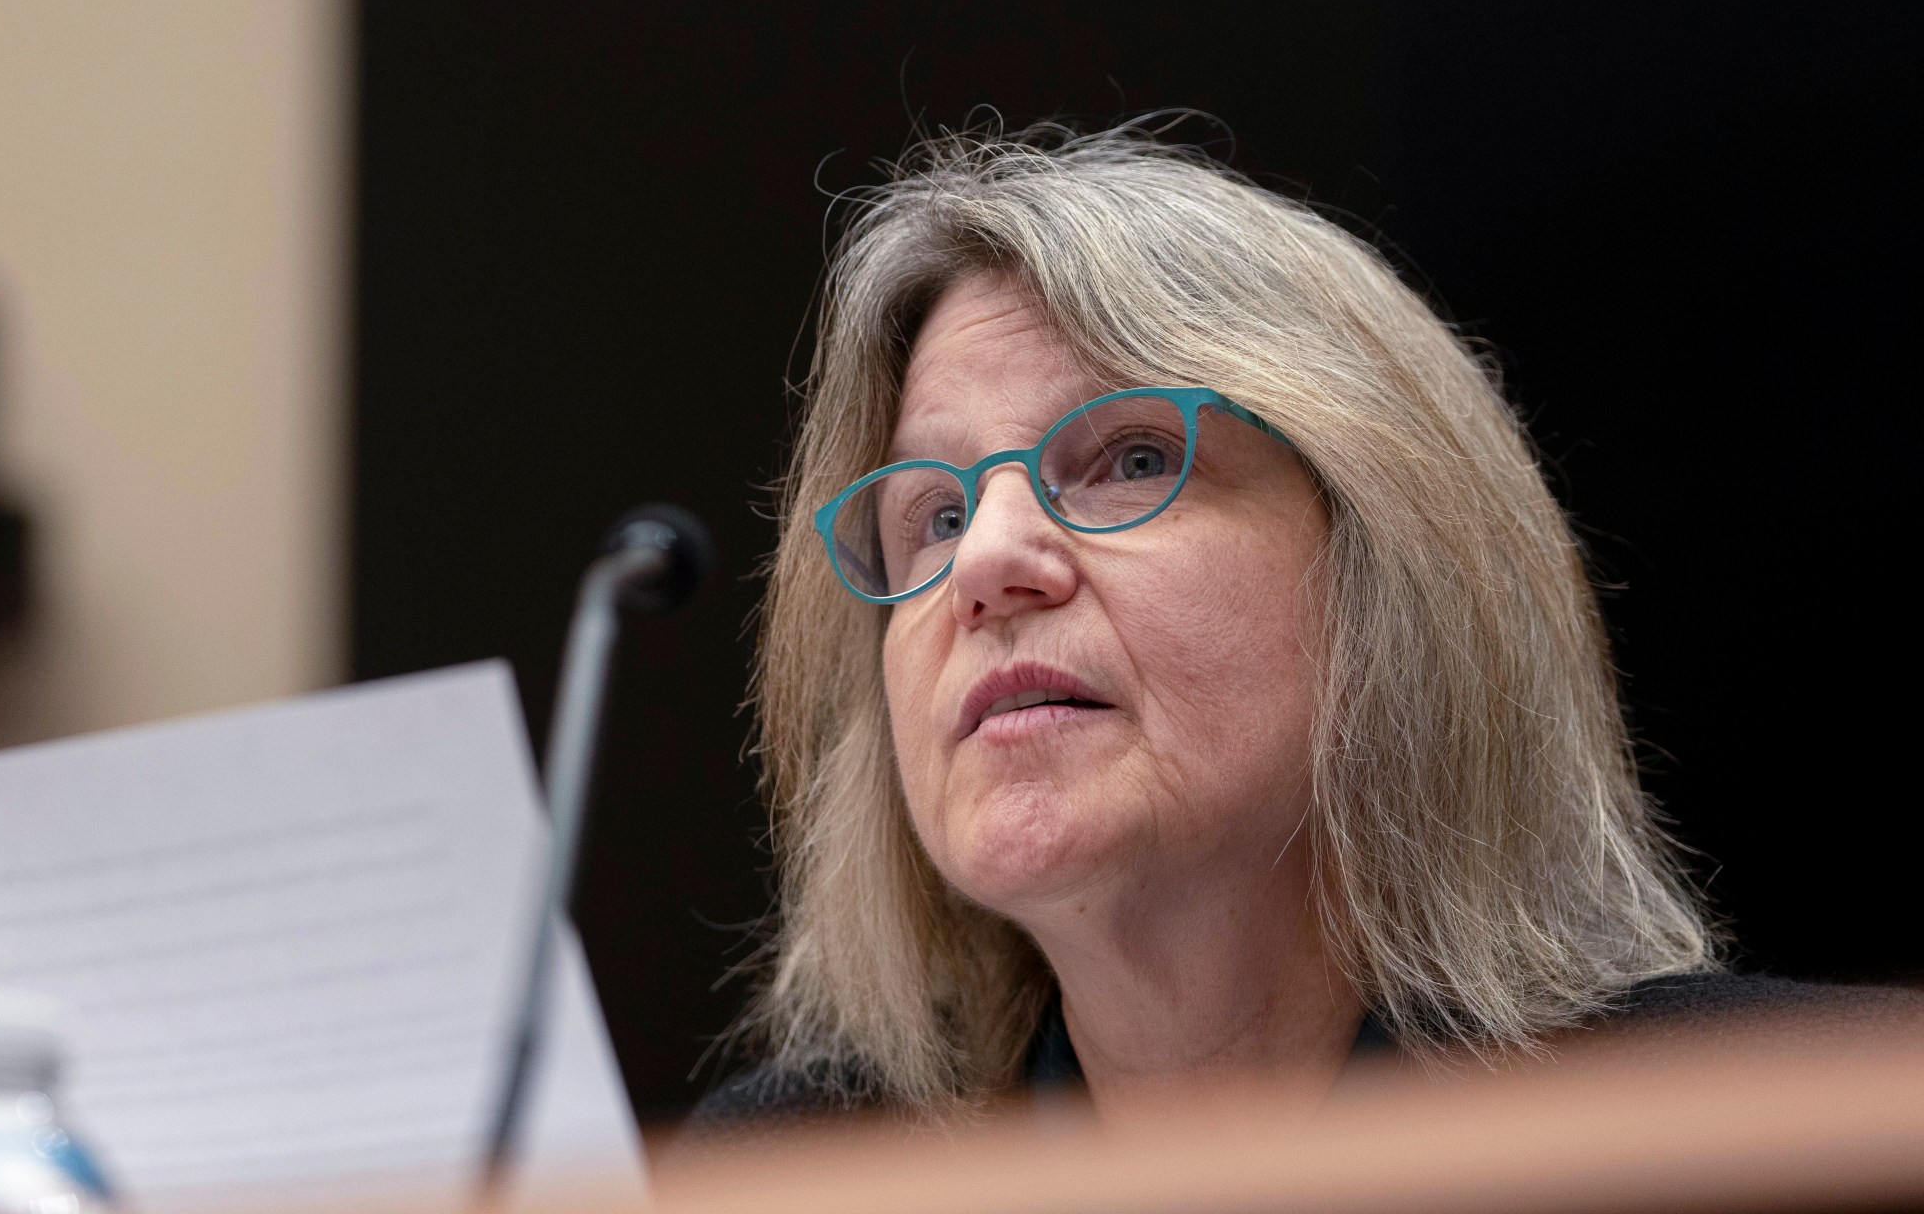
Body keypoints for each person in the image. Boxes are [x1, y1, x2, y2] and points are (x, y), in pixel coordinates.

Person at [696, 122, 1917, 1132]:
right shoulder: (790, 1169)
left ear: (1390, 567)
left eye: (1127, 459)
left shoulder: (1796, 1127)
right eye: (935, 512)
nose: (988, 562)